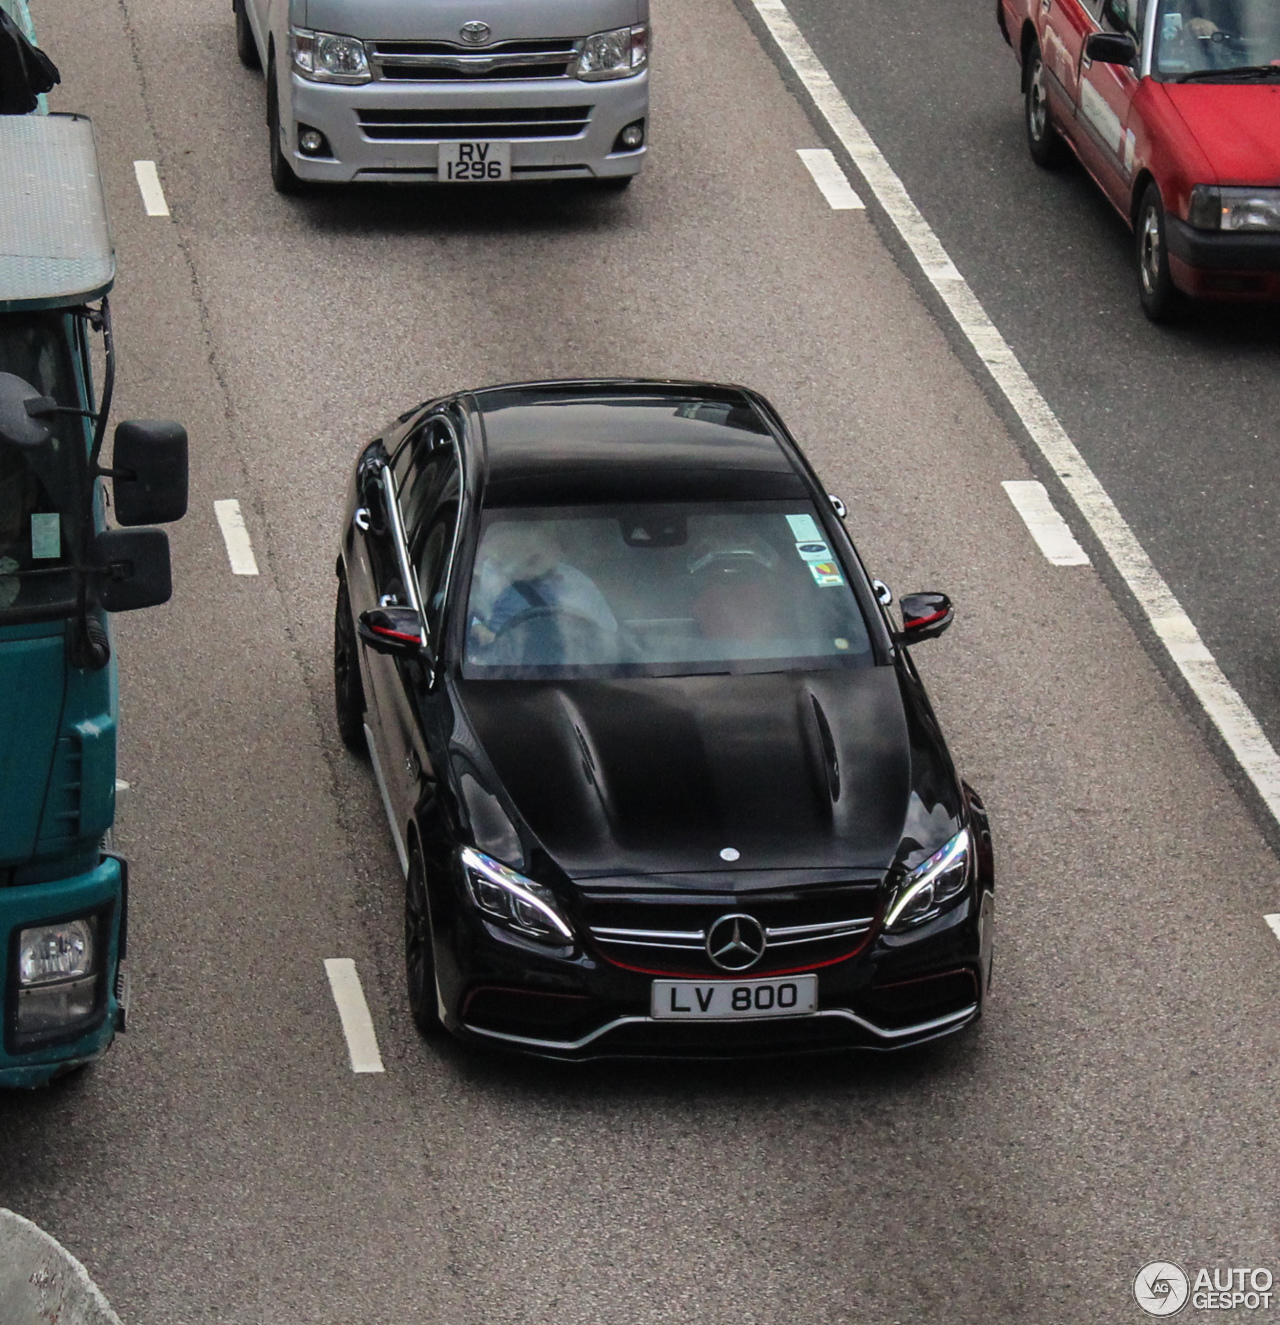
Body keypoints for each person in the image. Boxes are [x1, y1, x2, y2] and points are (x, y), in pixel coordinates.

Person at [468, 521, 617, 662]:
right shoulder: (494, 581)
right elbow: (467, 613)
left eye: (534, 557)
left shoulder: (579, 583)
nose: (520, 564)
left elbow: (610, 640)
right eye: (522, 556)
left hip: (581, 670)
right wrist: (476, 627)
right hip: (512, 673)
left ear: (556, 548)